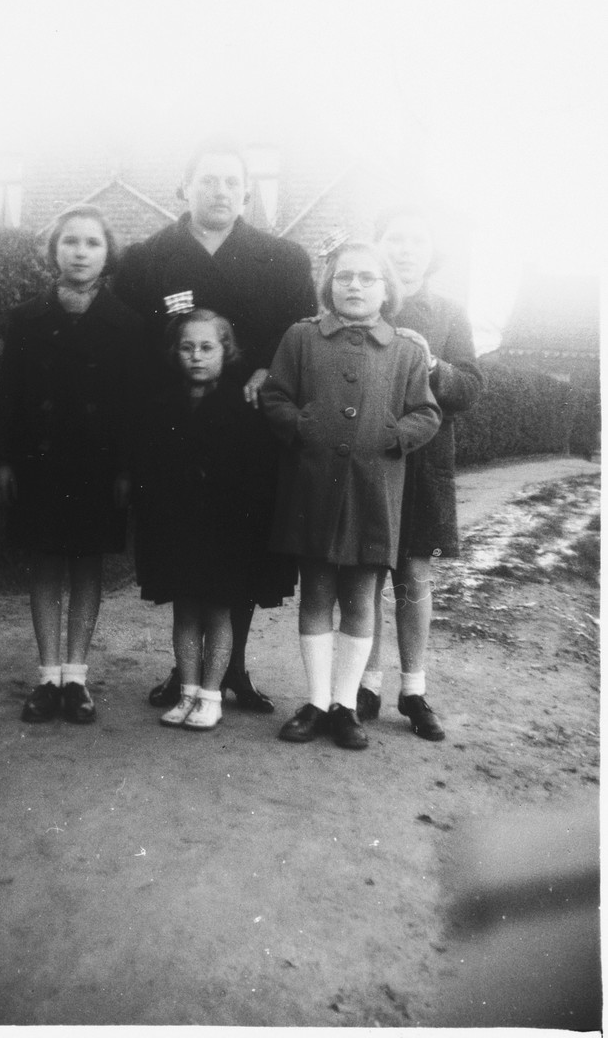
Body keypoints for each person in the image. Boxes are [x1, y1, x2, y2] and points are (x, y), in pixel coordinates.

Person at [115, 141, 316, 712]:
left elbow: (297, 334)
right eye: (207, 180)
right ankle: (185, 674)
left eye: (231, 181)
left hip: (250, 425)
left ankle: (234, 671)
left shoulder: (284, 259)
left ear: (247, 193)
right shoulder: (147, 258)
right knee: (184, 549)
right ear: (185, 188)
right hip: (175, 426)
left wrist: (263, 369)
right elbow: (133, 347)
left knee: (237, 550)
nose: (220, 190)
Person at [260, 240, 442, 750]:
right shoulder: (302, 338)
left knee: (362, 598)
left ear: (386, 289)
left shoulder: (406, 349)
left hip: (374, 491)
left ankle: (345, 705)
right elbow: (274, 395)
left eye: (367, 278)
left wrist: (395, 434)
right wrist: (298, 425)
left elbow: (427, 412)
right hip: (314, 486)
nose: (355, 286)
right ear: (328, 285)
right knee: (316, 593)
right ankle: (316, 702)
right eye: (344, 277)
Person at [0, 205, 144, 724]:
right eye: (70, 241)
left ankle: (76, 678)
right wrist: (3, 459)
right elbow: (7, 395)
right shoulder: (27, 317)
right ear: (53, 250)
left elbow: (130, 404)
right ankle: (47, 675)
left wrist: (126, 468)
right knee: (46, 561)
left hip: (97, 465)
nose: (80, 252)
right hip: (39, 462)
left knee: (86, 563)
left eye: (92, 243)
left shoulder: (125, 323)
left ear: (107, 253)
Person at [356, 208, 483, 740]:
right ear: (379, 245)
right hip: (369, 458)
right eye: (395, 239)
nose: (405, 250)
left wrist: (434, 366)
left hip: (425, 461)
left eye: (416, 241)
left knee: (412, 573)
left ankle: (414, 689)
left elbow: (471, 387)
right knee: (364, 572)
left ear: (432, 252)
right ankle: (366, 681)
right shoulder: (365, 301)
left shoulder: (449, 312)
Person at [135, 309, 291, 731]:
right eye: (187, 347)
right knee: (185, 611)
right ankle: (187, 691)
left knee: (219, 614)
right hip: (178, 529)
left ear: (227, 351)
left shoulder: (243, 407)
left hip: (224, 532)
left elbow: (255, 476)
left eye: (207, 347)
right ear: (175, 353)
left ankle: (211, 695)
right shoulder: (162, 406)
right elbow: (150, 470)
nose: (197, 356)